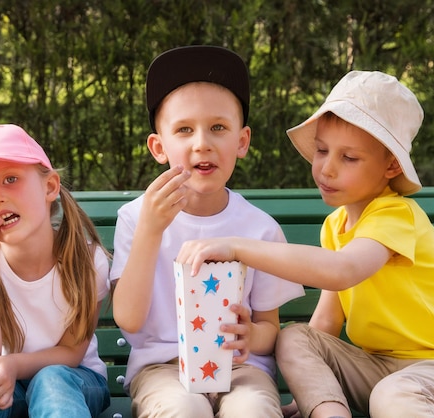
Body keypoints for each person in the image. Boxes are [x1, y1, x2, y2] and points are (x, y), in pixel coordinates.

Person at [176, 70, 434, 418]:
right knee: (296, 337)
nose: (326, 169)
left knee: (394, 396)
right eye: (322, 150)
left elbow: (342, 271)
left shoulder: (396, 215)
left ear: (391, 165)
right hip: (378, 369)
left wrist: (237, 247)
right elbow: (328, 320)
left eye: (348, 158)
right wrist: (309, 399)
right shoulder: (336, 226)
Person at [109, 45, 305, 417]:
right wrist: (151, 231)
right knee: (185, 410)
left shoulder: (259, 228)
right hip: (163, 370)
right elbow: (130, 321)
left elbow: (268, 329)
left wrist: (252, 336)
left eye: (218, 127)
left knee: (252, 412)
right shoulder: (136, 218)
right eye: (184, 130)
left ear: (242, 141)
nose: (202, 143)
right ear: (159, 147)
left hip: (241, 370)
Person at [0, 124, 111, 418]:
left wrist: (15, 364)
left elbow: (72, 352)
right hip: (5, 386)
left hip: (76, 380)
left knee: (51, 380)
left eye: (10, 179)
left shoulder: (87, 260)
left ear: (50, 187)